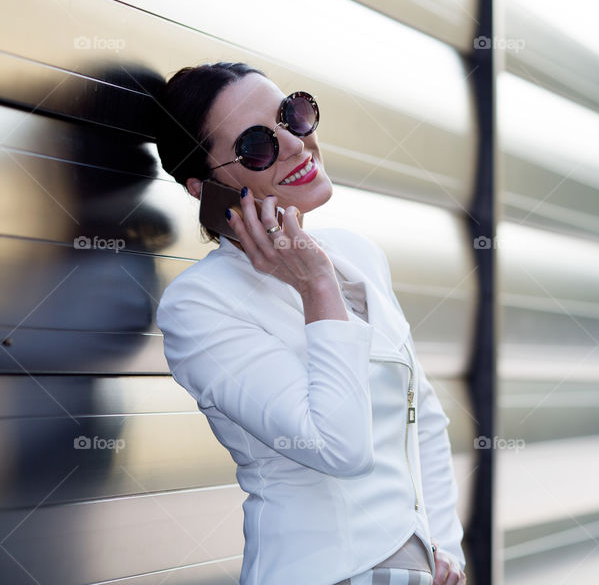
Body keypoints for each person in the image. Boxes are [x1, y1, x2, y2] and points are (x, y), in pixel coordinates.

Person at [151, 62, 467, 585]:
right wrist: (317, 286)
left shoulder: (358, 256)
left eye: (292, 115)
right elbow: (339, 447)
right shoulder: (200, 303)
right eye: (257, 145)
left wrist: (442, 549)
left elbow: (423, 420)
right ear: (204, 188)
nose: (297, 145)